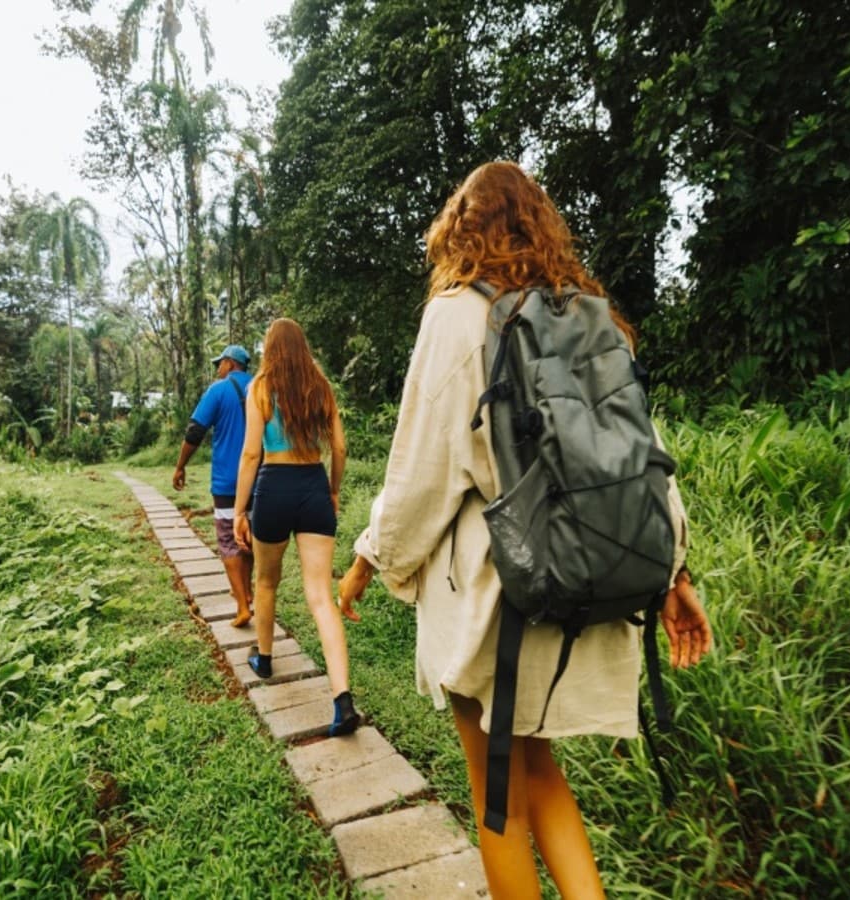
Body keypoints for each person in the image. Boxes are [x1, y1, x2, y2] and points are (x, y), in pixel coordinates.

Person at [337, 161, 713, 898]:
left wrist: (369, 560)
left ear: (460, 229)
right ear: (540, 226)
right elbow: (642, 457)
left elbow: (421, 471)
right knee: (537, 772)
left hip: (494, 591)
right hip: (578, 564)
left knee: (497, 792)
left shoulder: (456, 314)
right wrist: (675, 573)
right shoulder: (587, 313)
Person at [232, 318, 360, 737]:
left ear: (270, 348)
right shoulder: (319, 386)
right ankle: (342, 700)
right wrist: (335, 490)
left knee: (266, 581)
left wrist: (238, 510)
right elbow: (339, 447)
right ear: (302, 346)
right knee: (321, 596)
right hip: (313, 487)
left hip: (274, 488)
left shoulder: (261, 387)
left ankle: (264, 658)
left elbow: (252, 454)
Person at [173, 344, 255, 627]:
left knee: (228, 539)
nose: (217, 369)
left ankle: (243, 605)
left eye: (219, 363)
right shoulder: (263, 388)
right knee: (249, 536)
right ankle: (247, 591)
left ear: (231, 364)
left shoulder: (218, 390)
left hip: (227, 482)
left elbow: (195, 430)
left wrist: (181, 465)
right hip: (260, 478)